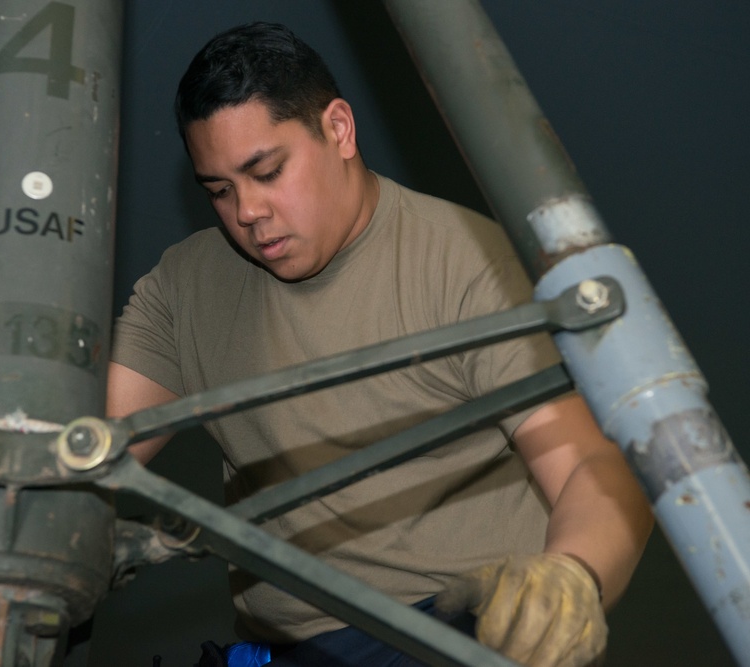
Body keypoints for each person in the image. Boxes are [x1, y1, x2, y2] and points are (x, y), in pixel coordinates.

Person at [106, 21, 653, 667]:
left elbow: (596, 466)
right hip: (277, 649)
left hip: (447, 633)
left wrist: (572, 576)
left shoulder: (466, 263)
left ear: (338, 129)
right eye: (220, 190)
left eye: (268, 171)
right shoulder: (184, 286)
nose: (247, 211)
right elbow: (78, 449)